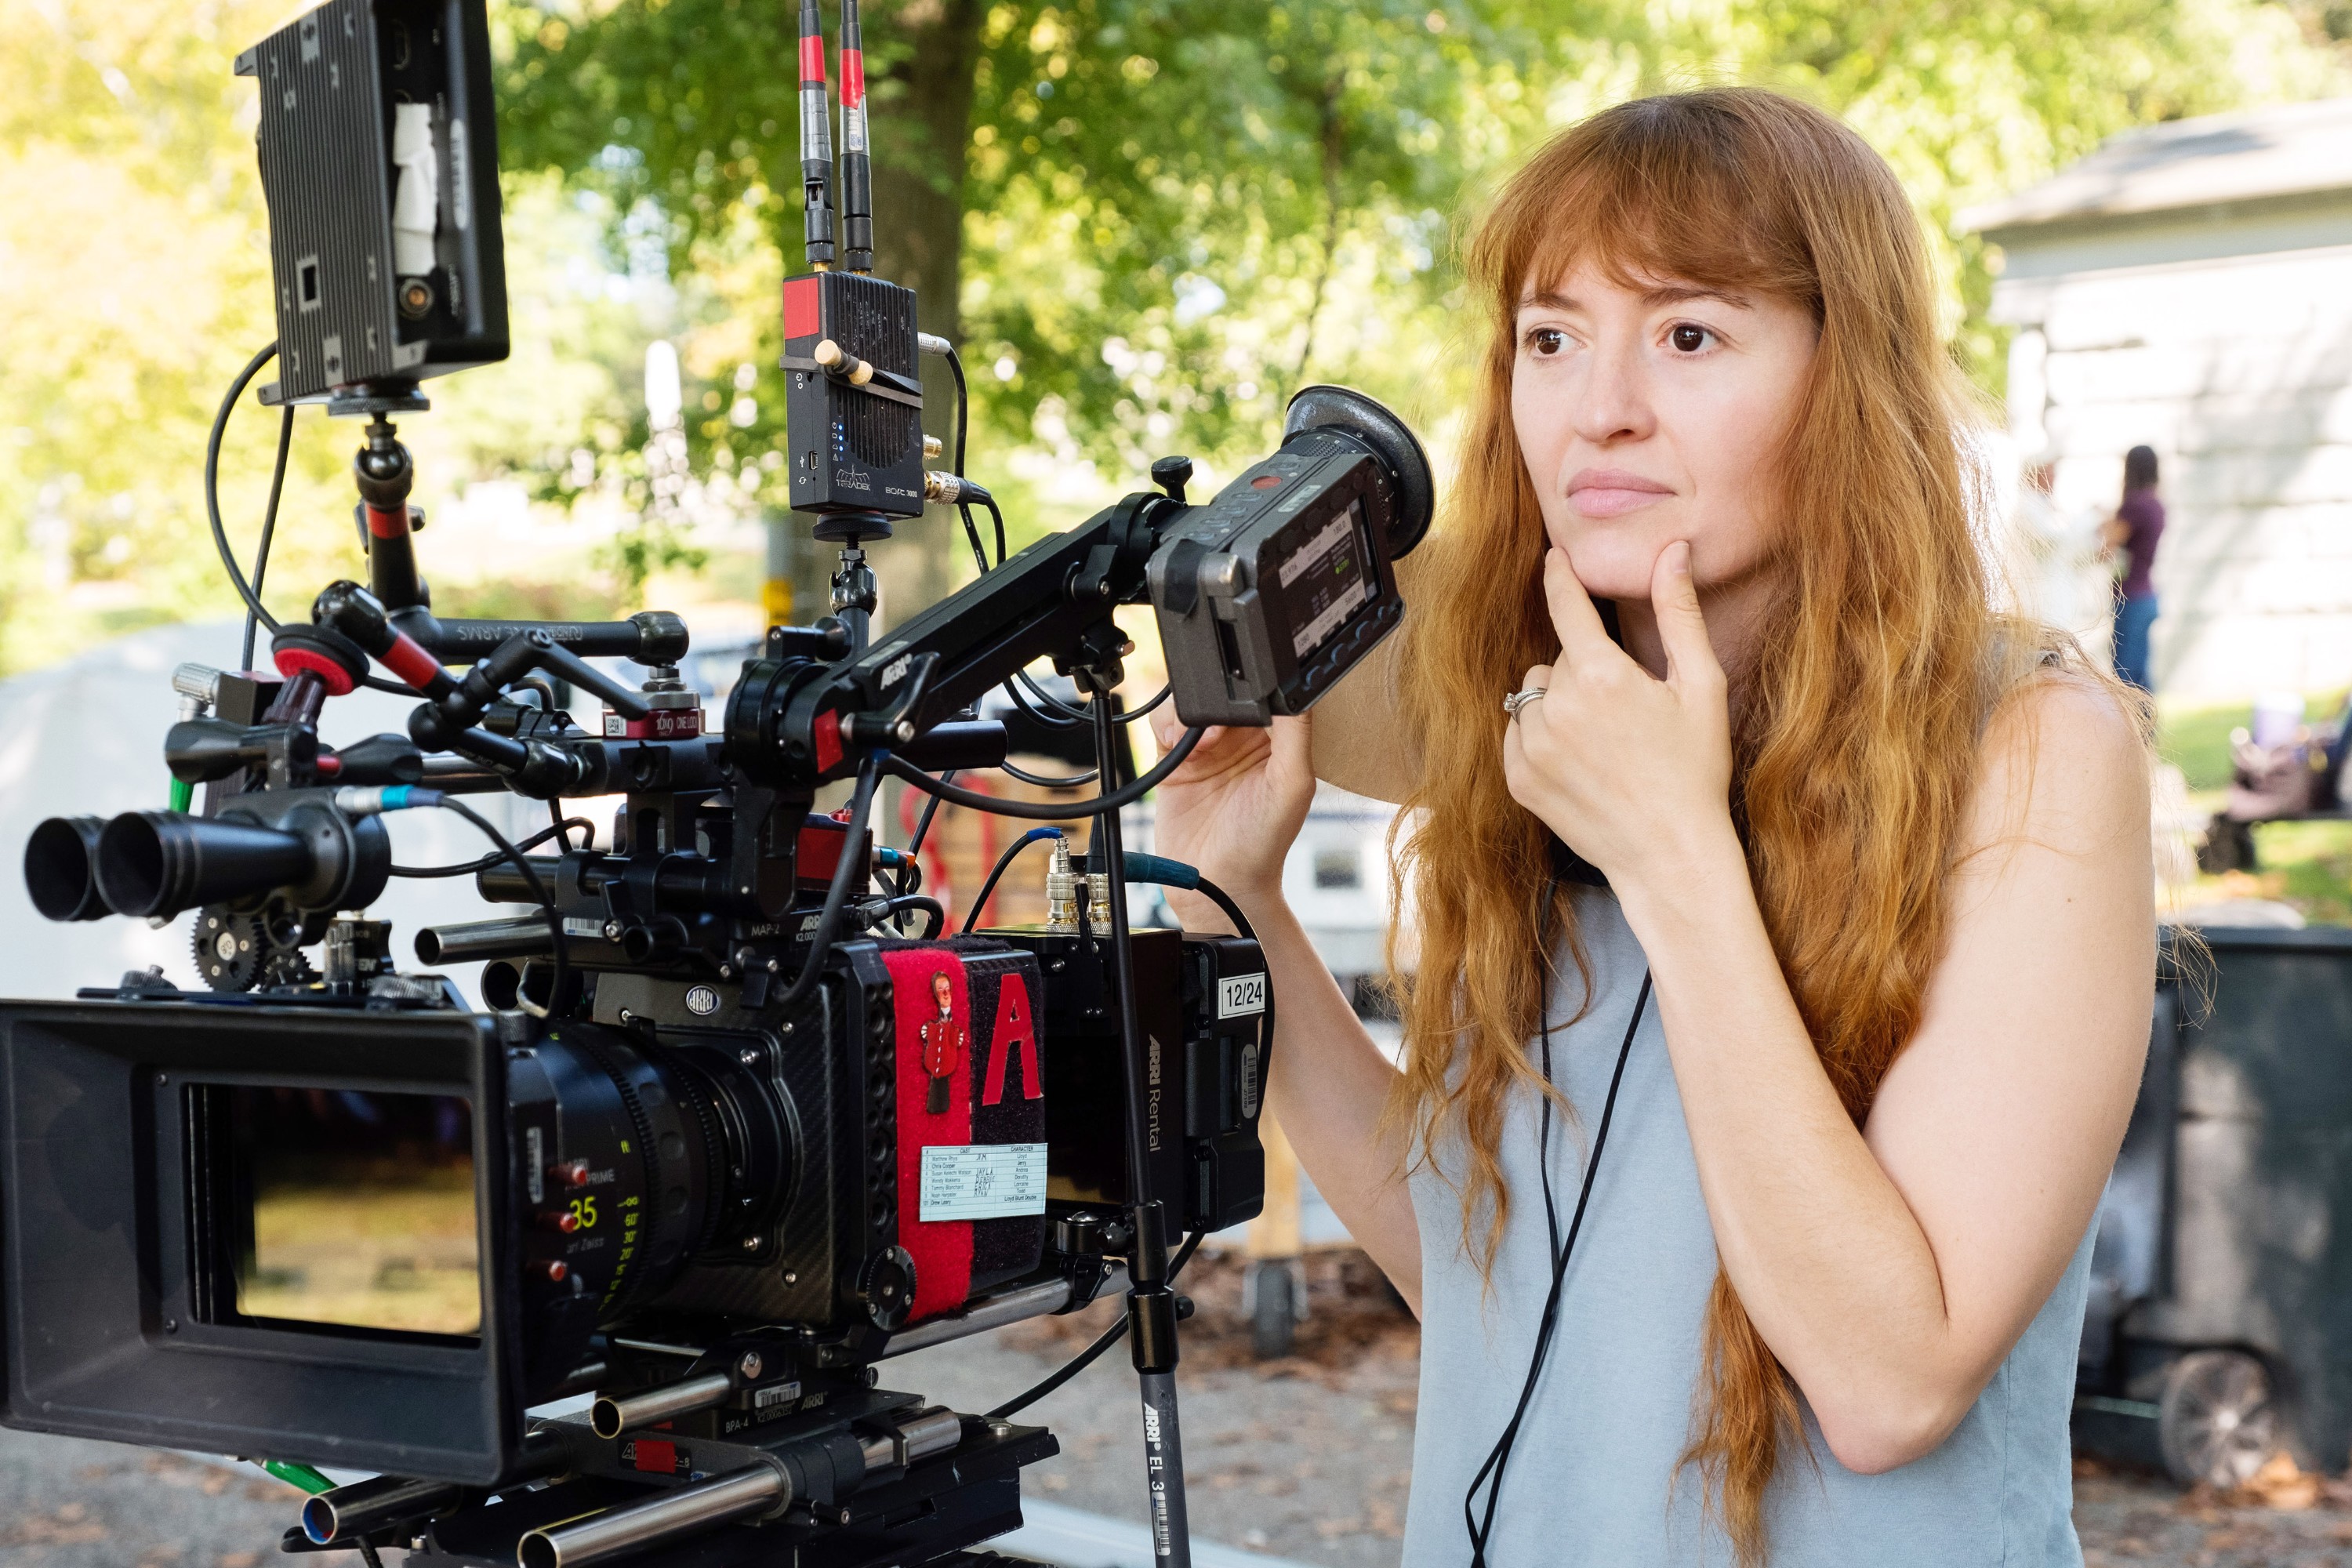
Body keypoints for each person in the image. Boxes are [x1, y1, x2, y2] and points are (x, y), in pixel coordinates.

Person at [1150, 89, 2153, 1566]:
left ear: (1842, 380)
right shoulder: (1546, 739)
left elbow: (1891, 1383)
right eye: (1551, 339)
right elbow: (1481, 1272)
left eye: (1689, 334)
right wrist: (1238, 905)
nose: (1598, 405)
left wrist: (1678, 857)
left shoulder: (2032, 751)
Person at [2103, 445, 2164, 691]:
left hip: (2131, 598)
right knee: (2140, 673)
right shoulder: (2156, 504)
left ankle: (2134, 729)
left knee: (2125, 674)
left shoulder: (2134, 506)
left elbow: (2108, 547)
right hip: (2147, 595)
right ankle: (2146, 729)